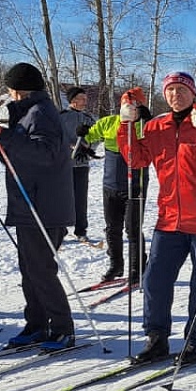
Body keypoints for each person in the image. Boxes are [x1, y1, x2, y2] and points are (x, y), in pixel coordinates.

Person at [118, 71, 196, 365]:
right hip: (169, 218)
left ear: (192, 93)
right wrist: (127, 123)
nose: (175, 95)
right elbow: (136, 158)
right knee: (154, 280)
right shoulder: (157, 125)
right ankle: (156, 337)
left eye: (181, 90)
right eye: (170, 90)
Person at [0, 63, 77, 350]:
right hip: (29, 201)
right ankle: (37, 323)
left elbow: (46, 155)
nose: (9, 96)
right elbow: (19, 159)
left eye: (10, 90)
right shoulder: (27, 114)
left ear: (20, 91)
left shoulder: (41, 113)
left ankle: (62, 328)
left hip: (44, 205)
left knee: (41, 270)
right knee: (30, 269)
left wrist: (4, 137)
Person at [83, 96, 151, 284]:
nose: (130, 109)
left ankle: (137, 267)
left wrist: (147, 120)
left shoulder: (144, 126)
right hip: (110, 185)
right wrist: (82, 137)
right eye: (126, 105)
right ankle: (116, 265)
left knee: (132, 229)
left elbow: (154, 142)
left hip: (135, 186)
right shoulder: (108, 122)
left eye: (134, 106)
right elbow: (88, 136)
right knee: (112, 229)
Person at [60, 86, 97, 241]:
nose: (85, 101)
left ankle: (81, 230)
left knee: (80, 199)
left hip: (81, 164)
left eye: (85, 98)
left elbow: (97, 136)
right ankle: (60, 229)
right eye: (82, 98)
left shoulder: (89, 118)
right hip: (64, 164)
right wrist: (70, 147)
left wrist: (88, 147)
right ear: (73, 100)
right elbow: (57, 137)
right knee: (62, 198)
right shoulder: (61, 117)